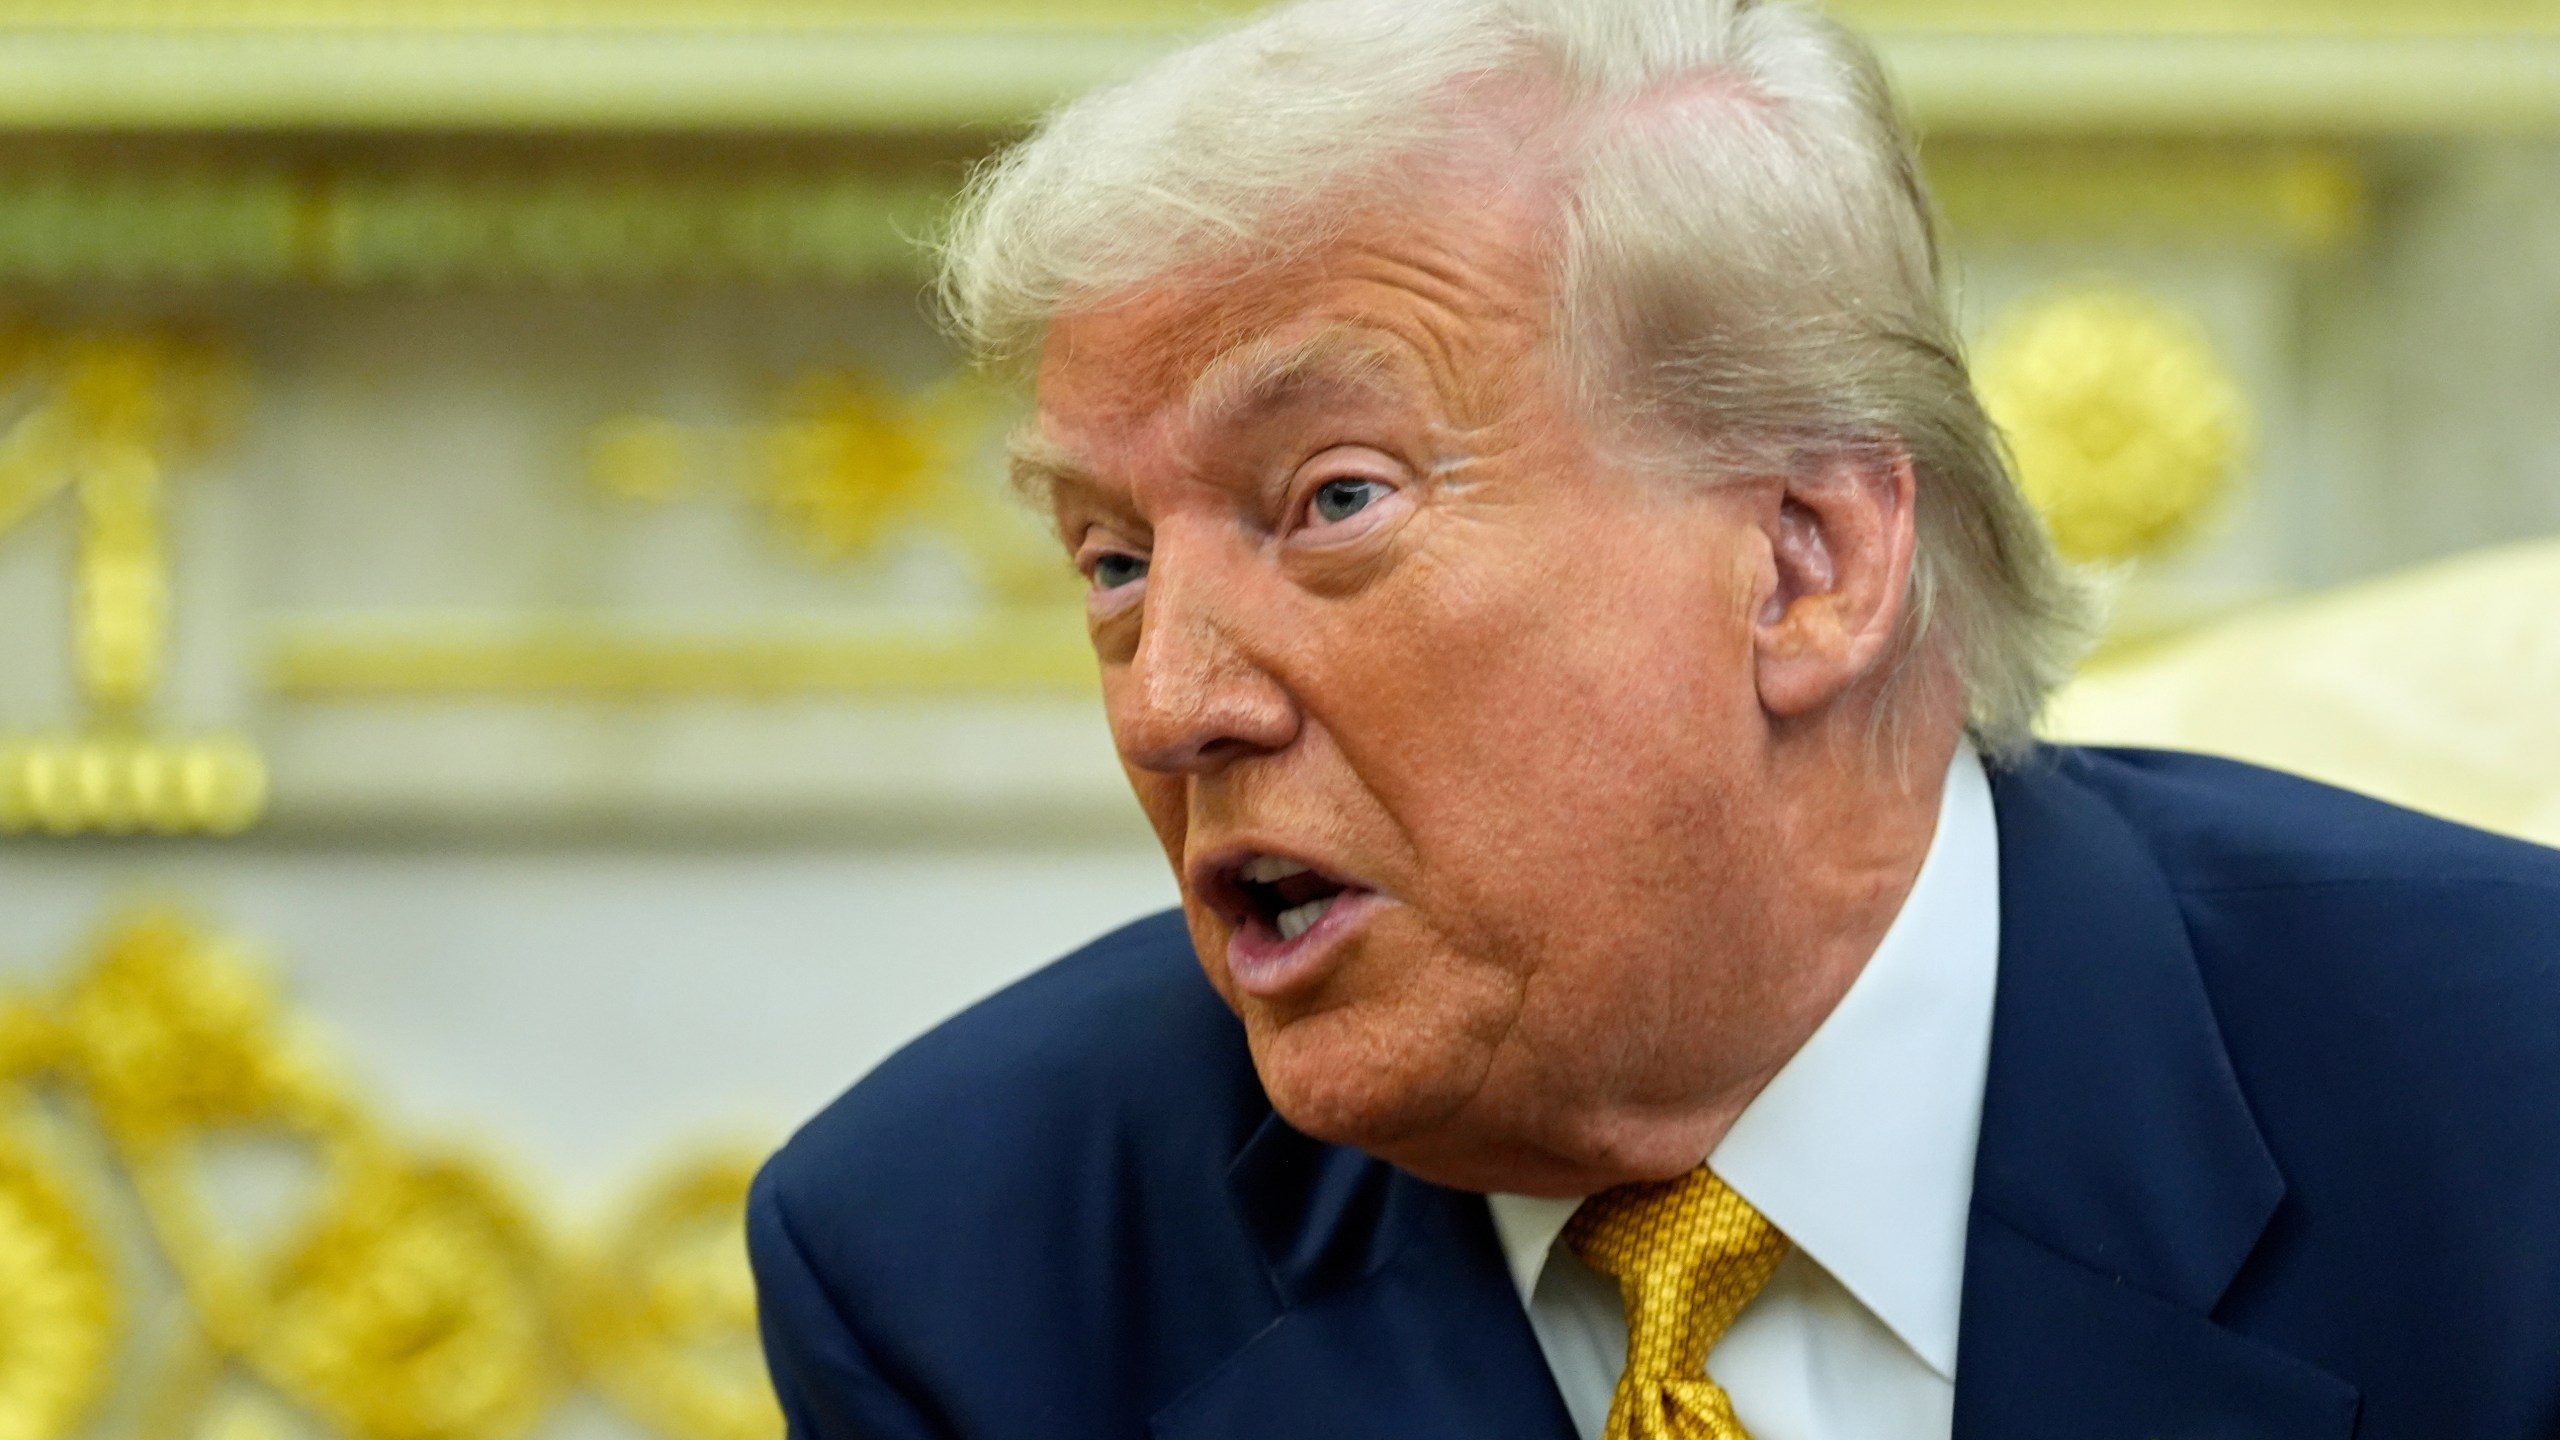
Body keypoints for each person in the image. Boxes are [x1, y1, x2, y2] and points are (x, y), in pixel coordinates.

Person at [745, 0, 2560, 1435]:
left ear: (1809, 563)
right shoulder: (965, 1264)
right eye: (1115, 559)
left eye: (1335, 501)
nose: (1173, 707)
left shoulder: (2509, 1119)